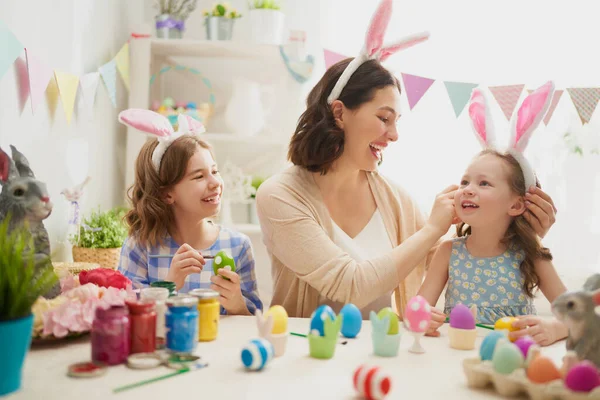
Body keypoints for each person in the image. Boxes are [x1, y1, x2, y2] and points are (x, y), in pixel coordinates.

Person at [255, 0, 557, 319]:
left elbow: (461, 264)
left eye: (397, 121)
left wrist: (521, 231)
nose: (394, 134)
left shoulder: (395, 200)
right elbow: (350, 285)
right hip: (309, 358)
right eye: (384, 118)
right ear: (340, 112)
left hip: (384, 354)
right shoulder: (281, 196)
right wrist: (430, 230)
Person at [418, 83, 567, 346]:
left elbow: (576, 315)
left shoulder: (530, 254)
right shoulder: (448, 252)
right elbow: (416, 309)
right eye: (465, 182)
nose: (468, 191)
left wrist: (556, 328)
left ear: (517, 205)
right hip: (456, 358)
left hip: (511, 362)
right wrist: (419, 316)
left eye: (483, 183)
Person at [117, 109, 262, 316]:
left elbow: (254, 322)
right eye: (199, 176)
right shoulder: (140, 247)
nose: (215, 183)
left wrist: (237, 305)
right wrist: (168, 285)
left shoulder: (238, 246)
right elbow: (126, 317)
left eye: (214, 171)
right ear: (167, 194)